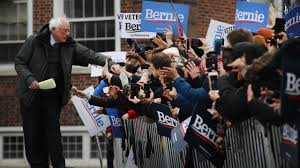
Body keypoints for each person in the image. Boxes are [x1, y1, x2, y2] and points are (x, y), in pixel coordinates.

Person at [14, 16, 117, 168]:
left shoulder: (69, 45)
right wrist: (30, 79)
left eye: (69, 30)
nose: (68, 33)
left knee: (54, 137)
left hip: (53, 98)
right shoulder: (34, 41)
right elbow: (19, 62)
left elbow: (89, 54)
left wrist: (110, 63)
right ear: (53, 30)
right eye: (65, 30)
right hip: (31, 96)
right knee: (33, 136)